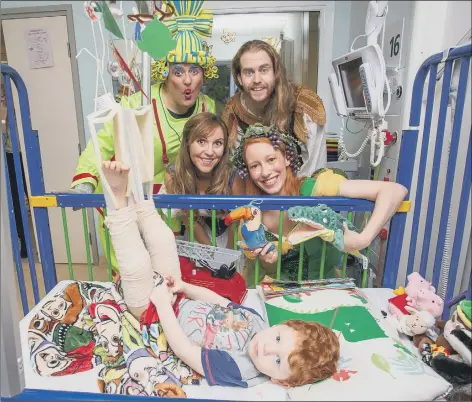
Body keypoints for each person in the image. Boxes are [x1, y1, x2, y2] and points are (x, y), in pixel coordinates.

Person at [101, 159, 340, 388]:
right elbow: (221, 303)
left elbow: (185, 350)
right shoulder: (258, 323)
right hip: (177, 297)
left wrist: (162, 305)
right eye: (278, 338)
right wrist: (184, 287)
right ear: (282, 326)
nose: (267, 348)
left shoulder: (240, 369)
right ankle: (140, 202)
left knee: (135, 264)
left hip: (154, 317)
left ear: (280, 381)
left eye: (277, 361)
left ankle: (116, 202)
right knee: (164, 240)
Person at [70, 0, 218, 272]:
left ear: (204, 73)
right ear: (165, 72)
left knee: (167, 274)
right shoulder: (137, 104)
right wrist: (86, 180)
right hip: (130, 199)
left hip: (171, 206)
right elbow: (103, 143)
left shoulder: (208, 107)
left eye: (194, 70)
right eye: (178, 71)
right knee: (132, 272)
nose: (187, 81)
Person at [231, 123, 408, 285]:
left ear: (286, 158)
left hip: (324, 292)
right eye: (255, 166)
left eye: (271, 160)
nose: (265, 172)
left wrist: (361, 240)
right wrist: (267, 261)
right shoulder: (251, 215)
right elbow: (266, 270)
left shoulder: (313, 188)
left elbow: (394, 190)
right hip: (273, 294)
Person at [221, 39, 328, 178]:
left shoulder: (305, 104)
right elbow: (237, 172)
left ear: (276, 72)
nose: (257, 79)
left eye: (264, 70)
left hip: (300, 192)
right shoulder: (234, 112)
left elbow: (315, 170)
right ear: (239, 78)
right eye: (249, 73)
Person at [159, 112, 236, 249]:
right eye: (201, 141)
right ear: (188, 142)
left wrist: (228, 259)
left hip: (232, 242)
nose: (210, 152)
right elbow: (190, 220)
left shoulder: (233, 175)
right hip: (197, 242)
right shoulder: (174, 175)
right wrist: (214, 254)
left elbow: (237, 222)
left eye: (217, 143)